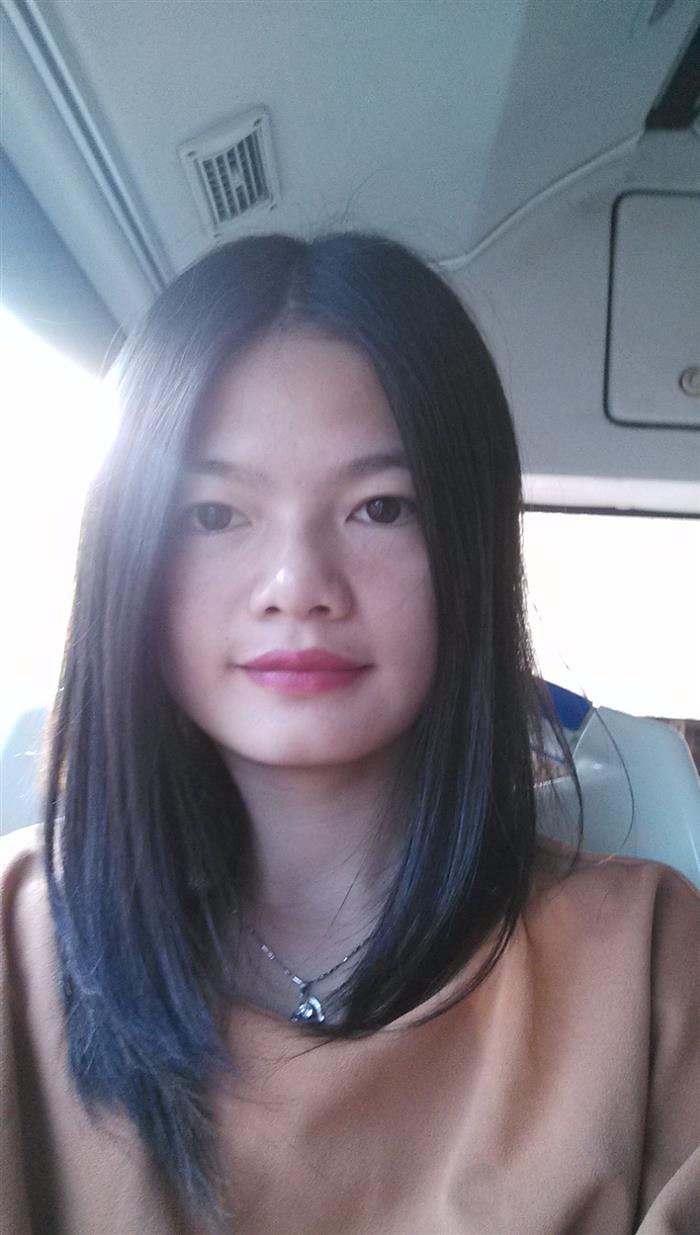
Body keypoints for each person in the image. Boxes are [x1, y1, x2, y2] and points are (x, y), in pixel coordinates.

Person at [1, 232, 698, 1235]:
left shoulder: (649, 957)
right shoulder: (16, 938)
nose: (297, 586)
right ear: (128, 552)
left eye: (379, 507)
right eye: (214, 513)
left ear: (469, 549)